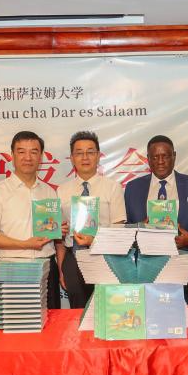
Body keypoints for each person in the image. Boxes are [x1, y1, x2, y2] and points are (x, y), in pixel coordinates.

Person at [123, 135, 188, 305]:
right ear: (148, 159)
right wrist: (141, 227)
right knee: (148, 316)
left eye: (165, 156)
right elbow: (125, 226)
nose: (160, 161)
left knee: (184, 318)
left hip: (183, 266)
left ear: (174, 156)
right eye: (155, 157)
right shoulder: (133, 188)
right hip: (145, 268)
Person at [0, 130, 62, 309]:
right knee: (16, 322)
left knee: (50, 321)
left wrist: (59, 229)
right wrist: (26, 244)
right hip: (12, 268)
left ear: (41, 156)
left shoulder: (49, 191)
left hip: (47, 266)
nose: (28, 157)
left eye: (34, 152)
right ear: (12, 155)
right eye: (21, 151)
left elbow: (52, 231)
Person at [56, 131, 126, 308]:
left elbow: (119, 231)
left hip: (106, 257)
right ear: (72, 158)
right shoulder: (62, 191)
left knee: (106, 309)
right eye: (79, 153)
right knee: (78, 310)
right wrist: (61, 267)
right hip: (73, 258)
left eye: (90, 152)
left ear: (98, 156)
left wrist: (94, 240)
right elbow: (60, 237)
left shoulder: (113, 188)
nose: (85, 157)